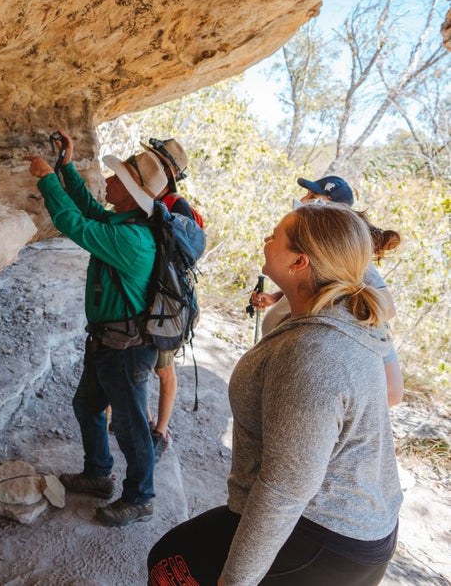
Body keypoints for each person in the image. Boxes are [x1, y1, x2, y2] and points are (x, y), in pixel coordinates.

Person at [148, 202, 403, 585]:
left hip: (328, 535)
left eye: (275, 236)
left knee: (170, 564)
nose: (266, 240)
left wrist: (235, 580)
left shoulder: (313, 355)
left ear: (300, 263)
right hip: (358, 522)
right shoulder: (335, 310)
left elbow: (285, 489)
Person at [25, 131, 169, 527]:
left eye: (117, 176)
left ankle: (141, 498)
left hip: (127, 349)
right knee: (87, 407)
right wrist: (66, 167)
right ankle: (98, 475)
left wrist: (46, 180)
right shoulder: (125, 220)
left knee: (130, 425)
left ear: (131, 191)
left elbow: (75, 224)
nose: (109, 180)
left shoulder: (133, 239)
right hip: (109, 343)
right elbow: (89, 208)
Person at [249, 175, 404, 406]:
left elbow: (385, 307)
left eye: (313, 197)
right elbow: (318, 285)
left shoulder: (348, 255)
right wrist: (275, 298)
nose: (303, 200)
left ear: (332, 208)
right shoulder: (321, 254)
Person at [142, 138, 202, 461]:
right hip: (153, 296)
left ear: (166, 170)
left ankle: (160, 431)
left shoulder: (176, 205)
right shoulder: (156, 197)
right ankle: (148, 419)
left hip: (167, 301)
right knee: (146, 362)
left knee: (163, 369)